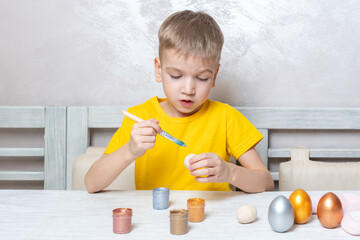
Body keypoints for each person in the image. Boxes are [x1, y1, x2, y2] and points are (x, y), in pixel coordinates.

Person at [85, 10, 274, 193]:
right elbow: (91, 183)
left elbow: (266, 183)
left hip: (212, 220)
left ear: (215, 75)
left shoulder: (226, 118)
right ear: (159, 70)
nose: (188, 90)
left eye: (202, 78)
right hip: (156, 220)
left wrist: (229, 172)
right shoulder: (140, 118)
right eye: (176, 76)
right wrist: (130, 150)